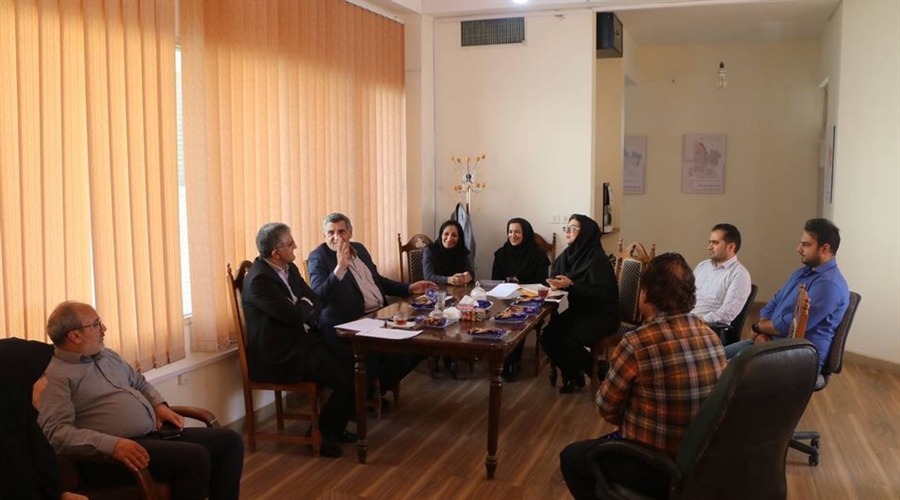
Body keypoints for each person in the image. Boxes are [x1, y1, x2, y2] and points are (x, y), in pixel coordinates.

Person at [560, 253, 727, 500]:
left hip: (654, 463)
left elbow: (606, 408)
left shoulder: (637, 342)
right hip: (700, 462)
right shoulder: (710, 336)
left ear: (646, 294)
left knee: (572, 458)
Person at [38, 302, 244, 499]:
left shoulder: (106, 355)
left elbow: (139, 382)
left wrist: (159, 405)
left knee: (229, 442)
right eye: (96, 324)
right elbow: (56, 433)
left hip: (151, 435)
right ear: (75, 335)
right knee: (195, 457)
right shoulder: (55, 376)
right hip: (109, 457)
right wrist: (113, 445)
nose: (104, 328)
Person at [242, 222, 356, 457]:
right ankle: (321, 435)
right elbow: (294, 315)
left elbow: (314, 299)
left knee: (354, 362)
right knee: (347, 377)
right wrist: (303, 305)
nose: (295, 246)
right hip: (280, 356)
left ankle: (334, 428)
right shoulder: (259, 281)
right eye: (290, 244)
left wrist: (302, 305)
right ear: (275, 253)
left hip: (303, 342)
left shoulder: (289, 267)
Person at [308, 213, 437, 401]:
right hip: (346, 325)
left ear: (350, 232)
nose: (336, 237)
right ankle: (366, 395)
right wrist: (340, 269)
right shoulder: (319, 257)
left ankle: (372, 391)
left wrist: (409, 288)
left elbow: (378, 281)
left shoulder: (359, 249)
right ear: (324, 235)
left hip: (378, 317)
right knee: (386, 356)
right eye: (330, 233)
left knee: (419, 344)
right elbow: (319, 297)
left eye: (341, 231)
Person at [725, 218, 849, 372]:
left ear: (824, 249)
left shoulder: (829, 285)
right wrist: (763, 332)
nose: (799, 249)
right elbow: (775, 301)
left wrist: (759, 327)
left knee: (718, 372)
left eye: (806, 244)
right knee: (712, 357)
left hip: (797, 360)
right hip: (772, 344)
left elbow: (791, 326)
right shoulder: (803, 272)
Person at [540, 214, 619, 393]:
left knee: (569, 340)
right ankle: (574, 374)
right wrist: (554, 283)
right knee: (548, 337)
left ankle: (599, 370)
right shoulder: (570, 254)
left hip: (602, 314)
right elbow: (555, 274)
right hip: (579, 311)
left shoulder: (597, 259)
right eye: (566, 228)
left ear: (585, 233)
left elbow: (599, 294)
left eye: (572, 228)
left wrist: (571, 285)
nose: (567, 232)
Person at [0, 338, 87, 500]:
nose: (46, 382)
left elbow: (47, 482)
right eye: (40, 376)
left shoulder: (26, 427)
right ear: (17, 383)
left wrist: (63, 495)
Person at [491, 217, 550, 379]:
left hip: (530, 302)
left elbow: (542, 284)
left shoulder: (538, 255)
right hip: (504, 300)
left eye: (517, 232)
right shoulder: (501, 254)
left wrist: (522, 291)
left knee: (518, 318)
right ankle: (499, 358)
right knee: (499, 315)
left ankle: (512, 362)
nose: (513, 235)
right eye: (510, 232)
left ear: (526, 234)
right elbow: (496, 281)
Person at [691, 223, 752, 329]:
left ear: (731, 247)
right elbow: (686, 294)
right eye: (710, 242)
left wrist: (696, 321)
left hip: (709, 329)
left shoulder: (740, 274)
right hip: (688, 323)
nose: (709, 247)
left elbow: (727, 313)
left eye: (715, 243)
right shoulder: (703, 266)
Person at [423, 220, 474, 286]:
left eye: (454, 235)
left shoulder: (461, 251)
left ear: (459, 238)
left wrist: (468, 277)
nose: (449, 239)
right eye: (446, 234)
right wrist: (448, 280)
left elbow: (471, 273)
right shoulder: (430, 251)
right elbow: (428, 277)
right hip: (436, 289)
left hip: (459, 290)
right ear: (441, 235)